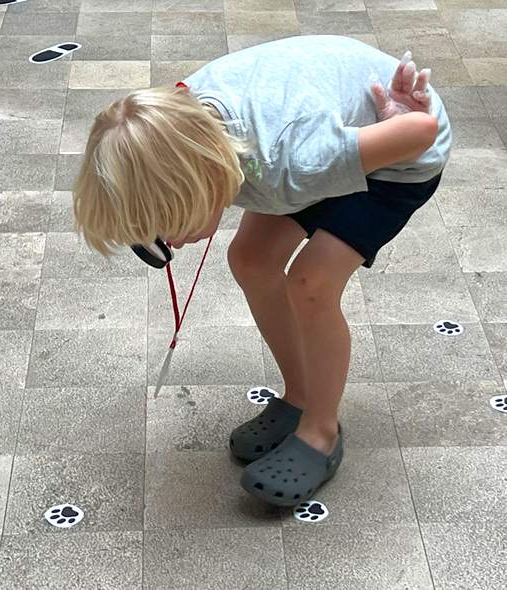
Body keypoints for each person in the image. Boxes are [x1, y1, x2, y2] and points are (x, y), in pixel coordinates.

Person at [72, 35, 451, 507]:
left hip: (396, 161)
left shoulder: (292, 160)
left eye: (165, 225)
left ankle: (321, 432)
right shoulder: (186, 125)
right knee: (251, 258)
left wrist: (400, 114)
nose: (167, 243)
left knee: (311, 283)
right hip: (322, 135)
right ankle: (300, 396)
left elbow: (421, 133)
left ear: (200, 185)